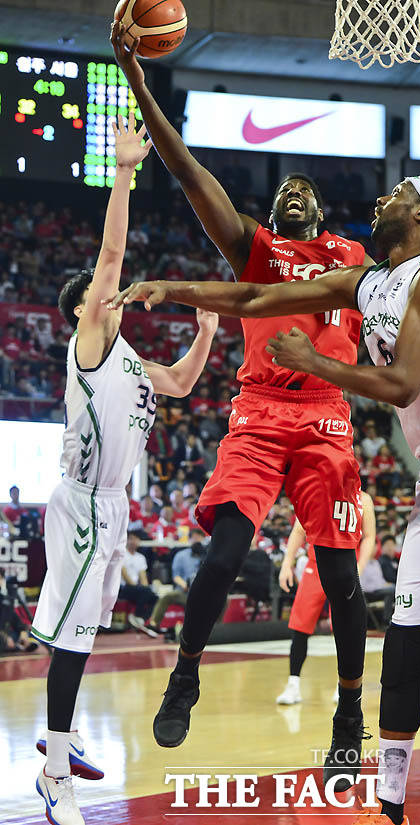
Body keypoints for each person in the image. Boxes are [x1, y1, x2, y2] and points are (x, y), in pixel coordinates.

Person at [110, 174, 420, 825]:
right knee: (401, 650)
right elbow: (258, 294)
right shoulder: (367, 280)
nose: (380, 200)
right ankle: (390, 804)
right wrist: (169, 288)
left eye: (395, 193)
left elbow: (400, 384)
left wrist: (314, 362)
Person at [111, 24, 373, 789]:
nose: (292, 191)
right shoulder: (257, 251)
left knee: (342, 578)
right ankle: (185, 672)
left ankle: (350, 715)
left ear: (322, 212)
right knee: (224, 555)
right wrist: (136, 75)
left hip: (327, 410)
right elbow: (190, 172)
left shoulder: (354, 259)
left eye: (306, 189)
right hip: (260, 411)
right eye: (282, 189)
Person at [29, 114, 218, 825]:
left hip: (114, 508)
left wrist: (202, 336)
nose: (106, 293)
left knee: (89, 628)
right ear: (82, 311)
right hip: (79, 503)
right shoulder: (93, 338)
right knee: (74, 637)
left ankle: (64, 738)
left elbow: (179, 384)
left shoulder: (132, 362)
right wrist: (125, 170)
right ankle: (55, 775)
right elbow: (111, 254)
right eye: (96, 293)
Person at [277, 491, 375, 706]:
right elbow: (298, 531)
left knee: (345, 629)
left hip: (347, 567)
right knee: (300, 626)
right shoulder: (318, 492)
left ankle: (346, 687)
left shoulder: (363, 499)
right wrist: (287, 563)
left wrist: (359, 568)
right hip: (316, 565)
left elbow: (369, 537)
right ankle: (293, 684)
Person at [146, 528, 208, 637]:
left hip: (203, 593)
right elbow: (176, 576)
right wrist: (185, 585)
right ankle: (153, 624)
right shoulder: (181, 555)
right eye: (195, 539)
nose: (198, 541)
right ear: (189, 539)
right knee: (168, 596)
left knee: (223, 598)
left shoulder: (208, 555)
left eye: (200, 539)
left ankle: (216, 628)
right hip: (185, 592)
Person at [119, 531, 158, 630]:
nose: (133, 541)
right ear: (126, 540)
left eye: (136, 539)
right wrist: (140, 588)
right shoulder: (121, 554)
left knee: (155, 597)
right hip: (123, 587)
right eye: (131, 538)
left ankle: (142, 619)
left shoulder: (141, 557)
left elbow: (143, 577)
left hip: (136, 588)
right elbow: (124, 575)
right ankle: (136, 615)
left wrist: (145, 588)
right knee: (144, 591)